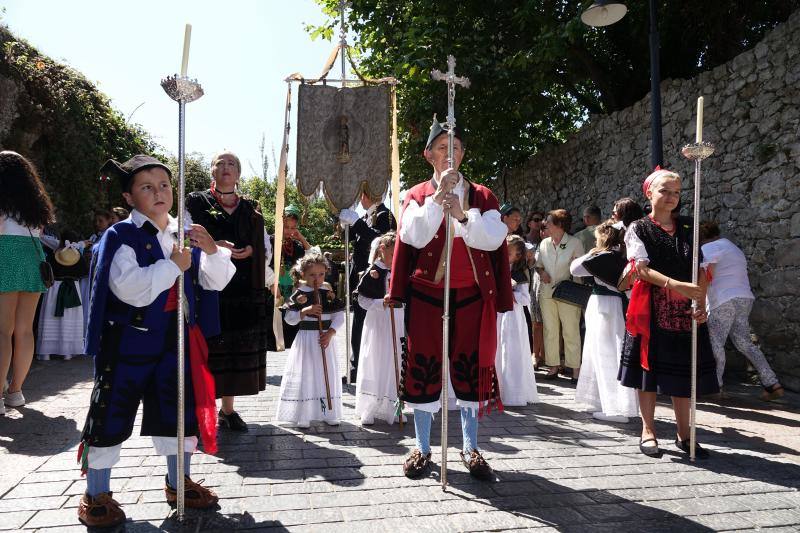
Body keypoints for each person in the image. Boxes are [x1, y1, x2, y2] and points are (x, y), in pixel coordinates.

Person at [78, 155, 235, 527]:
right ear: (130, 197)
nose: (159, 192)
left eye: (164, 185)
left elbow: (216, 281)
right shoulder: (120, 236)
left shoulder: (184, 233)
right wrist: (172, 266)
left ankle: (177, 482)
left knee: (177, 411)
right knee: (111, 412)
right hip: (128, 342)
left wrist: (210, 251)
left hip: (173, 341)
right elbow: (131, 288)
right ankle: (96, 493)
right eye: (146, 187)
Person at [389, 116, 512, 481]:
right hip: (427, 294)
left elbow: (493, 238)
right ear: (428, 154)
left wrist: (460, 213)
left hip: (472, 295)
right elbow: (412, 235)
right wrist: (435, 202)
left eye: (455, 147)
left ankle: (471, 447)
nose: (450, 154)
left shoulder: (483, 195)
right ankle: (423, 447)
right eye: (443, 147)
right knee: (423, 368)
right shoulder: (415, 194)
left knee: (470, 368)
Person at [618, 168, 718, 459]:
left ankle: (685, 433)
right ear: (649, 193)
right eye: (665, 190)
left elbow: (701, 268)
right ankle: (648, 430)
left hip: (685, 309)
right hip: (650, 307)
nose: (672, 197)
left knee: (684, 373)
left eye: (676, 191)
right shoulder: (638, 227)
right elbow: (640, 268)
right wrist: (676, 286)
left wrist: (700, 301)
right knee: (647, 372)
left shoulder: (689, 226)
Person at [186, 151, 274, 432]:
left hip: (242, 289)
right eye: (220, 163)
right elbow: (183, 235)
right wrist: (213, 247)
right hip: (207, 288)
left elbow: (264, 245)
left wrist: (252, 249)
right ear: (211, 171)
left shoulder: (251, 207)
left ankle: (228, 410)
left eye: (232, 164)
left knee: (234, 349)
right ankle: (204, 412)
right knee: (207, 349)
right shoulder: (195, 202)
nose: (226, 168)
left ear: (238, 173)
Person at [699, 221, 783, 401]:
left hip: (723, 299)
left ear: (702, 237)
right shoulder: (733, 248)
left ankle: (716, 386)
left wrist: (698, 301)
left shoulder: (709, 248)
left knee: (715, 343)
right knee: (745, 343)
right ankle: (772, 383)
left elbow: (707, 275)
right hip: (744, 298)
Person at [0, 151, 55, 416]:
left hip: (5, 254)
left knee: (2, 331)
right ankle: (16, 392)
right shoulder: (35, 204)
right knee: (24, 331)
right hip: (33, 257)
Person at [571, 220, 638, 423]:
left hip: (603, 305)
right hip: (617, 305)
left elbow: (575, 269)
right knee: (613, 352)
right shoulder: (623, 256)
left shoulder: (602, 256)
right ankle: (612, 402)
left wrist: (592, 252)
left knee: (605, 354)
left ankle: (614, 408)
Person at [275, 251, 345, 428]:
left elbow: (339, 316)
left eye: (321, 274)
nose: (317, 278)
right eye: (312, 275)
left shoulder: (328, 291)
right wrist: (304, 312)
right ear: (303, 274)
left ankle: (328, 411)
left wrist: (330, 333)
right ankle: (304, 414)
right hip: (306, 339)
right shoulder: (298, 293)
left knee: (325, 372)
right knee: (306, 372)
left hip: (325, 339)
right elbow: (289, 319)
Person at [339, 189, 397, 382]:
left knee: (370, 324)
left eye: (360, 194)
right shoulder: (365, 216)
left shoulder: (385, 215)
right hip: (361, 277)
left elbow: (381, 241)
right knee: (358, 325)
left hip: (376, 280)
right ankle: (356, 367)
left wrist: (357, 223)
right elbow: (353, 242)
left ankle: (371, 369)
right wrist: (345, 226)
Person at [354, 232, 405, 425]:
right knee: (374, 359)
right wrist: (380, 302)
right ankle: (369, 407)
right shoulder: (372, 272)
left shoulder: (401, 272)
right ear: (382, 250)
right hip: (378, 321)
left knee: (396, 359)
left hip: (397, 319)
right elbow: (361, 299)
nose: (395, 259)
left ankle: (395, 407)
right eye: (393, 255)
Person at [535, 209, 585, 381]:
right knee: (550, 330)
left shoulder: (575, 242)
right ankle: (553, 366)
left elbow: (581, 269)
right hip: (547, 292)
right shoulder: (544, 244)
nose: (545, 224)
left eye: (548, 222)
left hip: (569, 293)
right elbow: (538, 265)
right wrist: (542, 273)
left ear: (559, 225)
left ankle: (575, 369)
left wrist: (574, 266)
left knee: (571, 331)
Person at [496, 235, 539, 406]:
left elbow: (525, 299)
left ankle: (513, 393)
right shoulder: (498, 268)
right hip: (498, 315)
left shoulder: (519, 274)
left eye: (509, 251)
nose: (505, 254)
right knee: (498, 351)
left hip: (513, 317)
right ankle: (498, 389)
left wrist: (509, 292)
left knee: (512, 352)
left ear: (518, 255)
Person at [36, 230, 89, 361]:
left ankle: (46, 353)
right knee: (69, 318)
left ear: (60, 240)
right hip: (73, 288)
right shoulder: (79, 257)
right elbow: (84, 272)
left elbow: (48, 271)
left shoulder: (54, 255)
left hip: (55, 288)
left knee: (51, 316)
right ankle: (67, 352)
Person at [274, 204, 311, 348]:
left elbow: (313, 257)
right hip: (275, 290)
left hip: (292, 291)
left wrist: (301, 238)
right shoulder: (272, 241)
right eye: (286, 227)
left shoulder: (298, 246)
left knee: (291, 329)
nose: (289, 231)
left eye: (293, 228)